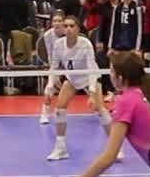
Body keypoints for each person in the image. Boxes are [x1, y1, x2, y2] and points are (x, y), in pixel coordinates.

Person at [42, 13, 108, 162]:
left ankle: (115, 147)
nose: (68, 29)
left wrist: (92, 93)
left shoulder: (85, 44)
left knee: (100, 109)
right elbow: (54, 66)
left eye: (72, 26)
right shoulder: (59, 45)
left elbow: (91, 69)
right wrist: (49, 86)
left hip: (89, 77)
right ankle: (61, 149)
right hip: (72, 78)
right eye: (66, 26)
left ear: (78, 29)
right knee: (60, 108)